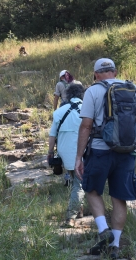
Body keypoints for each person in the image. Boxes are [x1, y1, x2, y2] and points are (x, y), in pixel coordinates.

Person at [75, 58, 136, 259]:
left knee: (91, 189)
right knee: (119, 196)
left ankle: (103, 231)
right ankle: (115, 246)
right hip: (126, 151)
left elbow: (86, 125)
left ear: (95, 74)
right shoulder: (132, 88)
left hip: (100, 150)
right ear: (115, 72)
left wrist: (78, 157)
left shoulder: (92, 91)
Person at [47, 83, 86, 228]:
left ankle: (80, 210)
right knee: (80, 183)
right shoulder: (87, 109)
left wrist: (50, 152)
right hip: (83, 151)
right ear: (83, 94)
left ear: (67, 95)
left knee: (74, 178)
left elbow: (52, 135)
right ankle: (70, 217)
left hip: (64, 151)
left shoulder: (59, 112)